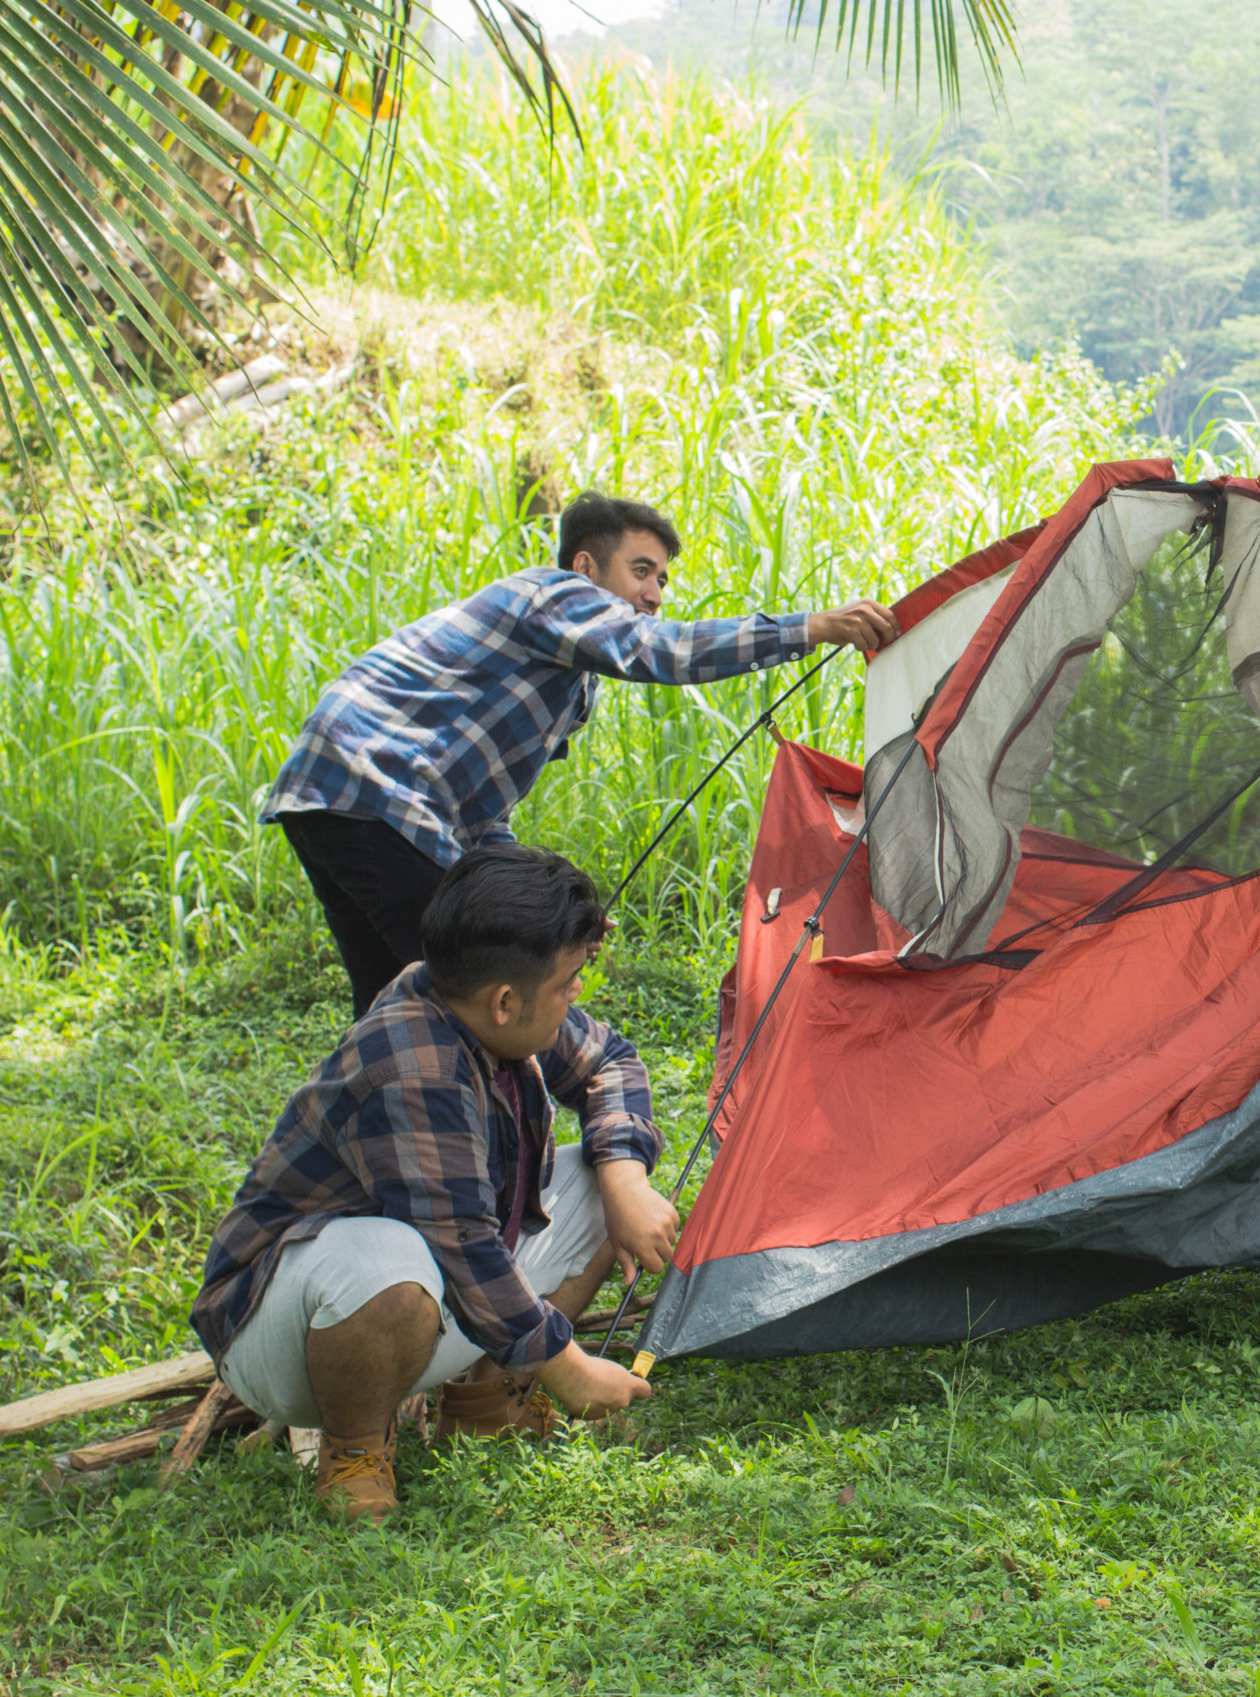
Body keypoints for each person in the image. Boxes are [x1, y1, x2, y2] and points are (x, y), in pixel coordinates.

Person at [266, 491, 900, 1019]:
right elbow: (667, 652)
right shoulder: (556, 595)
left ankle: (369, 1153)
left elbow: (484, 818)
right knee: (473, 994)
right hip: (377, 786)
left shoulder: (563, 674)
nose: (656, 595)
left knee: (392, 1004)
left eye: (663, 580)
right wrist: (810, 628)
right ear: (587, 567)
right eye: (642, 571)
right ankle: (487, 1155)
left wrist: (554, 905)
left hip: (332, 790)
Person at [194, 845, 673, 1522]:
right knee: (389, 1263)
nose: (576, 995)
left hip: (442, 1289)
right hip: (289, 1331)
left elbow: (612, 1063)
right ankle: (356, 1447)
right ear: (505, 1001)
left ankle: (486, 1401)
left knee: (597, 1179)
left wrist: (625, 1179)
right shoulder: (414, 1063)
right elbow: (463, 1250)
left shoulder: (479, 1000)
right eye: (570, 981)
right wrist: (574, 1371)